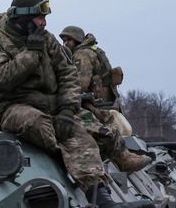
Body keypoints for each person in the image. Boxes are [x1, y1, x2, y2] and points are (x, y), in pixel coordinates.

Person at [0, 0, 153, 208]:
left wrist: (68, 110)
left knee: (80, 133)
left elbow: (68, 74)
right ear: (23, 18)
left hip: (54, 105)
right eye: (40, 18)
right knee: (39, 125)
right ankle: (67, 173)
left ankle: (102, 203)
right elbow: (2, 79)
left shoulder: (47, 40)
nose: (44, 23)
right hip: (14, 106)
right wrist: (31, 53)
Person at [58, 26, 146, 171]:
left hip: (92, 104)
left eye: (69, 40)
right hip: (106, 103)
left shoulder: (82, 55)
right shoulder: (94, 50)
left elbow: (80, 84)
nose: (65, 43)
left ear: (77, 40)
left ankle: (120, 159)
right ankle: (124, 156)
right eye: (64, 40)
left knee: (98, 131)